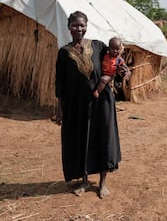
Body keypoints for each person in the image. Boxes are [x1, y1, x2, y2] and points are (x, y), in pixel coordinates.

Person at [55, 11, 130, 198]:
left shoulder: (98, 46)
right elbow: (60, 82)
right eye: (74, 25)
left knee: (103, 138)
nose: (78, 29)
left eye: (81, 25)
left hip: (102, 102)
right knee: (81, 140)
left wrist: (122, 71)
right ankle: (84, 181)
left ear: (86, 26)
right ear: (68, 27)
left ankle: (103, 182)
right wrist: (59, 107)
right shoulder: (63, 53)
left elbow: (114, 63)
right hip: (76, 105)